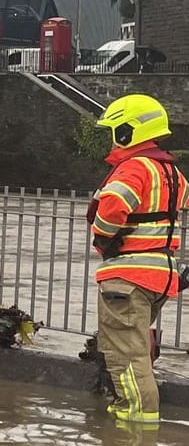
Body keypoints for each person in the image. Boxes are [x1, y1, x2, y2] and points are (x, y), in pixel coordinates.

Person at [86, 93, 186, 426]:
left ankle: (134, 430)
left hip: (127, 277)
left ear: (128, 132)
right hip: (159, 275)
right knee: (135, 348)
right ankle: (126, 416)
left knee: (127, 358)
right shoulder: (170, 172)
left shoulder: (133, 168)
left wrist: (102, 235)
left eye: (115, 130)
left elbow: (112, 206)